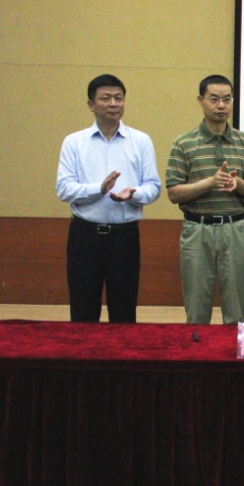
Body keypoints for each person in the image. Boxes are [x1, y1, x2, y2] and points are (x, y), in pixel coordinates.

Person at [56, 74, 161, 323]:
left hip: (124, 238)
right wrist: (99, 189)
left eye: (118, 98)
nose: (113, 103)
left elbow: (153, 187)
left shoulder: (141, 141)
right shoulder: (74, 142)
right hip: (85, 236)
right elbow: (64, 189)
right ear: (91, 105)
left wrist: (133, 194)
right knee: (83, 312)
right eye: (106, 98)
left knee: (124, 312)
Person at [165, 75, 244, 325]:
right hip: (197, 229)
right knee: (197, 310)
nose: (221, 105)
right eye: (214, 99)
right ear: (201, 101)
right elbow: (173, 193)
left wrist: (238, 184)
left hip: (235, 228)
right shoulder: (184, 143)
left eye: (227, 99)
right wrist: (210, 182)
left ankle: (234, 351)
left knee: (236, 310)